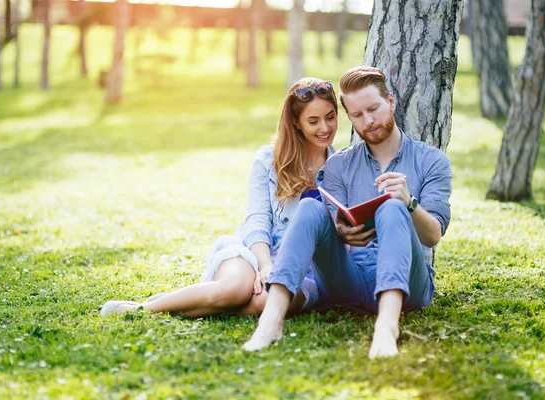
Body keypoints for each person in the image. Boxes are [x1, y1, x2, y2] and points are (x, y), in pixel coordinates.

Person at [243, 66, 452, 359]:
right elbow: (332, 224)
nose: (368, 120)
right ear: (349, 118)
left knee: (392, 206)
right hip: (350, 279)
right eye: (357, 115)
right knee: (310, 206)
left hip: (409, 282)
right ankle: (270, 321)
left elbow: (432, 236)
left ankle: (386, 328)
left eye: (373, 109)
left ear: (390, 102)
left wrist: (409, 203)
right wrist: (341, 231)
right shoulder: (339, 164)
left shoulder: (432, 161)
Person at [100, 78, 339, 318]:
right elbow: (257, 220)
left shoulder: (341, 166)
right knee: (235, 288)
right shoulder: (269, 159)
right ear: (296, 123)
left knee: (264, 301)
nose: (325, 128)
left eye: (330, 117)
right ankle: (141, 309)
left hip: (303, 271)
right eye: (313, 121)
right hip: (257, 252)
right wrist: (265, 266)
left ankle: (174, 304)